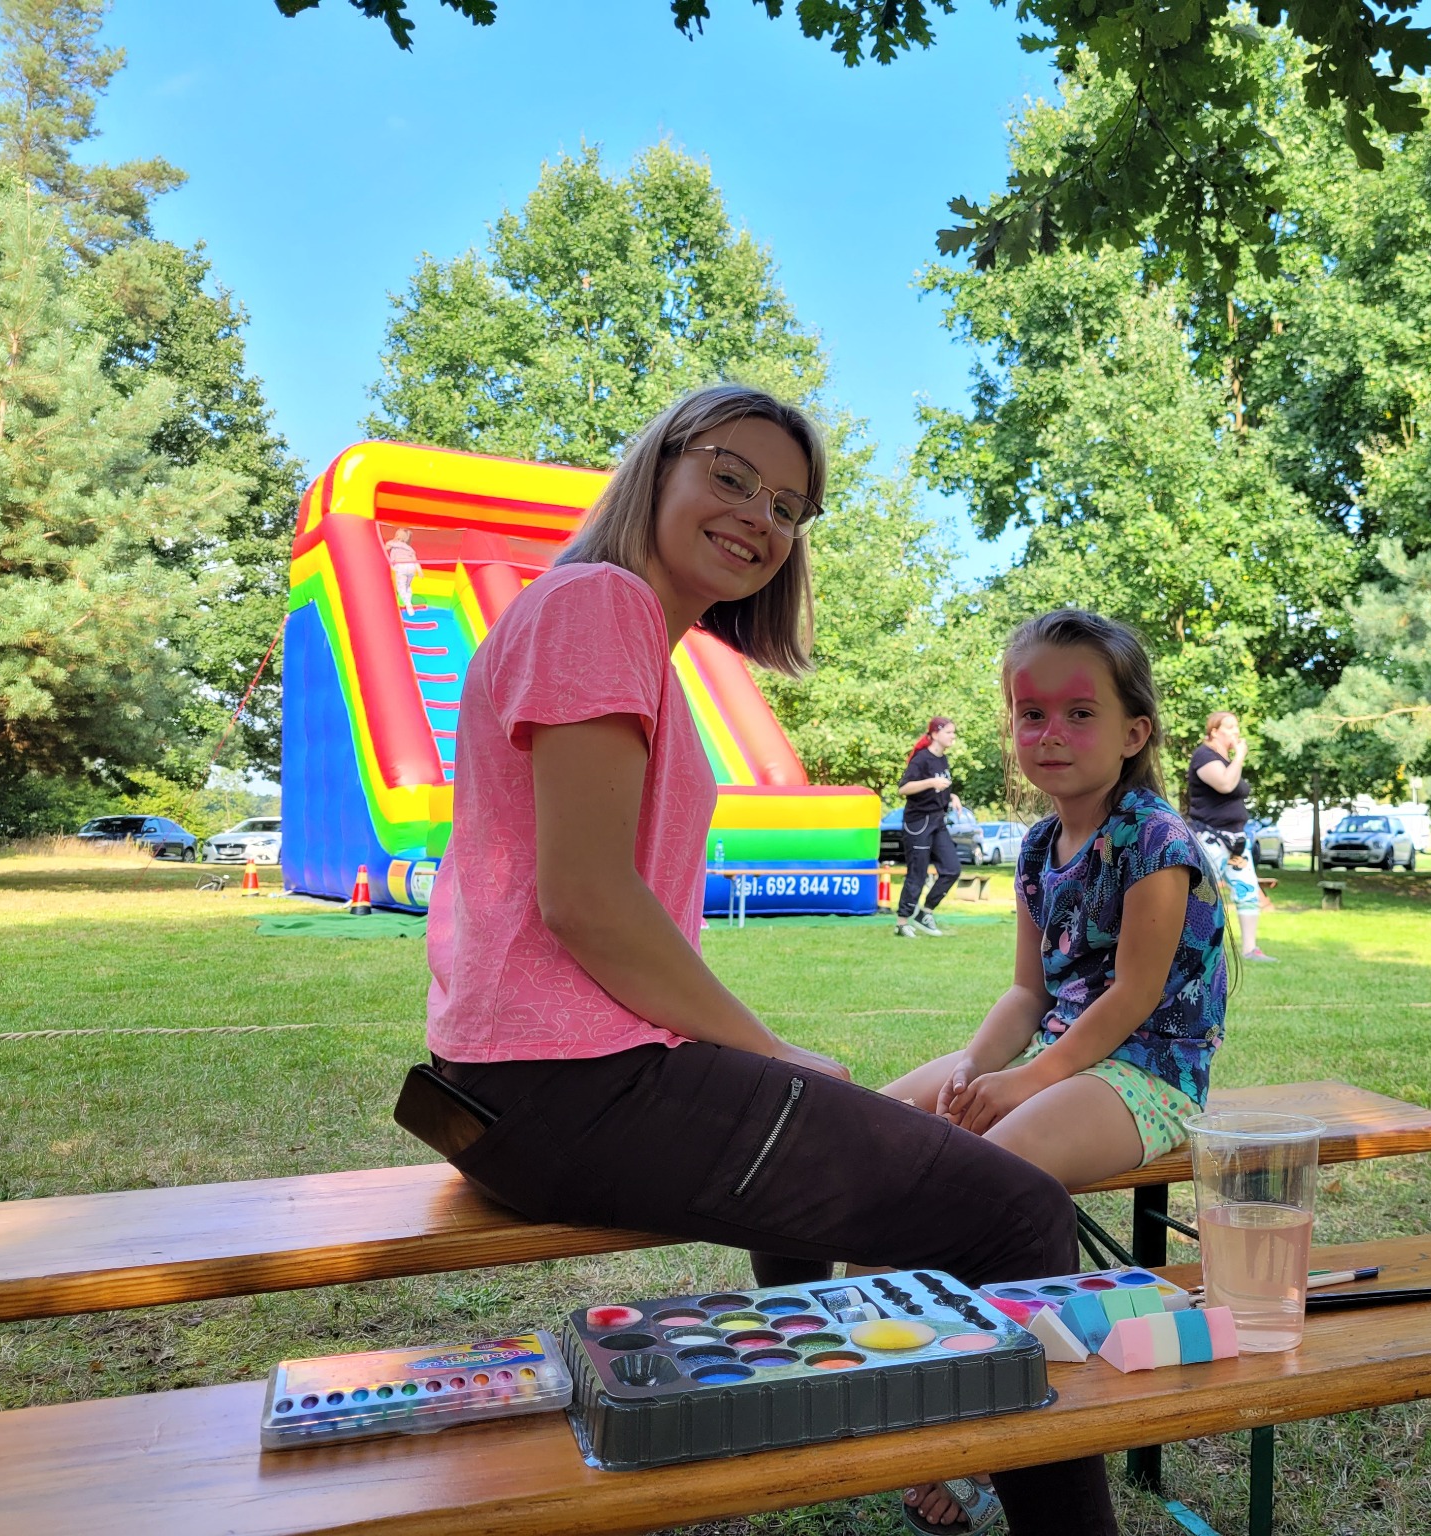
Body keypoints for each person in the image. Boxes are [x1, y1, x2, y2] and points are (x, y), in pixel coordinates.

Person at [418, 385, 1118, 1536]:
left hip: (530, 1089)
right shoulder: (595, 602)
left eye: (789, 505)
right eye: (730, 476)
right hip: (569, 1087)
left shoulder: (629, 628)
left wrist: (767, 1069)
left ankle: (841, 1415)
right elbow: (587, 900)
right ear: (658, 465)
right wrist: (771, 1051)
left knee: (802, 1151)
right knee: (1014, 1214)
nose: (759, 516)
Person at [884, 607, 1227, 1190]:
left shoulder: (1155, 840)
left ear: (1134, 733)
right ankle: (834, 1286)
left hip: (1148, 1074)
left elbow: (1134, 994)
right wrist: (974, 1066)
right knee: (864, 1133)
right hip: (1059, 1055)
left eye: (1081, 714)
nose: (1052, 733)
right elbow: (1028, 991)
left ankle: (962, 1279)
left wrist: (1030, 1079)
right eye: (1033, 714)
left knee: (956, 1181)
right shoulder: (1039, 846)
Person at [1187, 709, 1273, 961]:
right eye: (1230, 727)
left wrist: (1235, 758)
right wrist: (1241, 755)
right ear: (1214, 731)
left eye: (1237, 727)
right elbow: (1224, 784)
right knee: (1203, 893)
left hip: (1237, 840)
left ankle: (1250, 949)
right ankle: (1196, 948)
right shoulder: (1204, 757)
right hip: (1211, 838)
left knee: (1247, 891)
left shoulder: (1226, 760)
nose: (1236, 732)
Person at [895, 716, 961, 938]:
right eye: (949, 732)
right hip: (918, 823)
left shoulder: (943, 760)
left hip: (938, 821)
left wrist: (951, 796)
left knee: (952, 869)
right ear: (935, 734)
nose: (953, 736)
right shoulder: (922, 759)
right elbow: (903, 789)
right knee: (918, 873)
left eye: (954, 733)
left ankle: (925, 913)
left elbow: (939, 787)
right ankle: (902, 922)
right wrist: (931, 783)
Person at [385, 526, 422, 615]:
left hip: (401, 566)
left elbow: (385, 547)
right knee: (407, 586)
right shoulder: (410, 549)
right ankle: (408, 600)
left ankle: (408, 604)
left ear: (397, 536)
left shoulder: (393, 543)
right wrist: (420, 571)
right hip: (411, 567)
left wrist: (392, 541)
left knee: (401, 587)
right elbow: (415, 561)